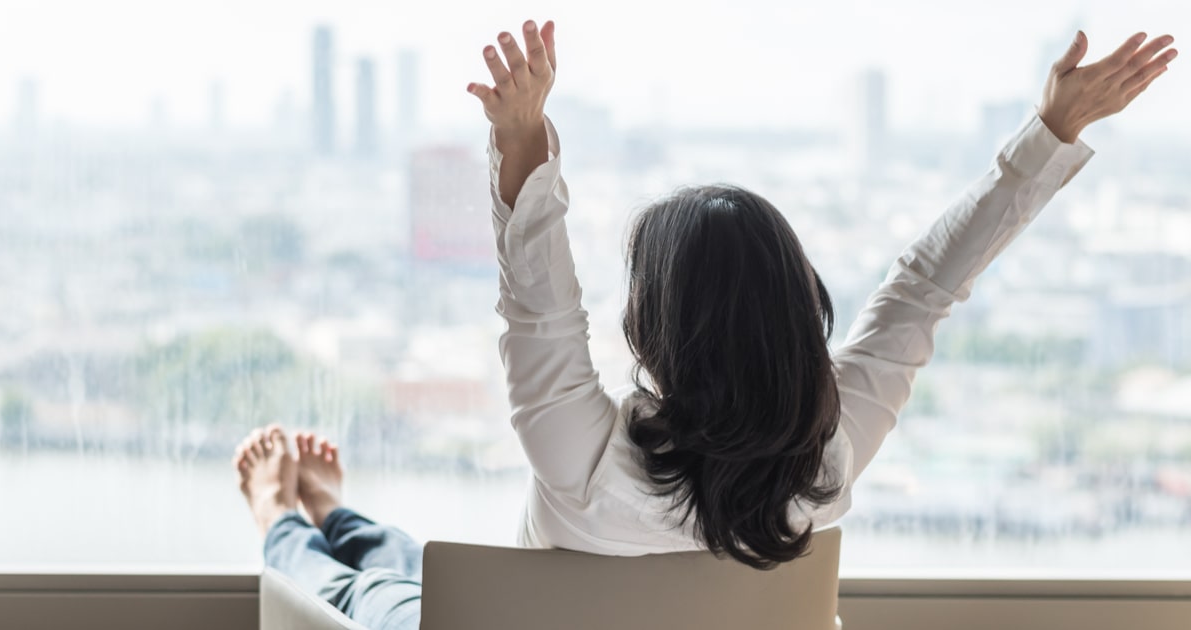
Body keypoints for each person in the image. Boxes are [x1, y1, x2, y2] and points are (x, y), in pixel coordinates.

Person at [234, 20, 1177, 629]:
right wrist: (1050, 133)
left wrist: (520, 137)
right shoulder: (829, 457)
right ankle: (341, 512)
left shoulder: (582, 455)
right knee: (408, 567)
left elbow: (539, 304)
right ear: (796, 308)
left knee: (372, 594)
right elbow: (925, 288)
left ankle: (286, 509)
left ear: (652, 330)